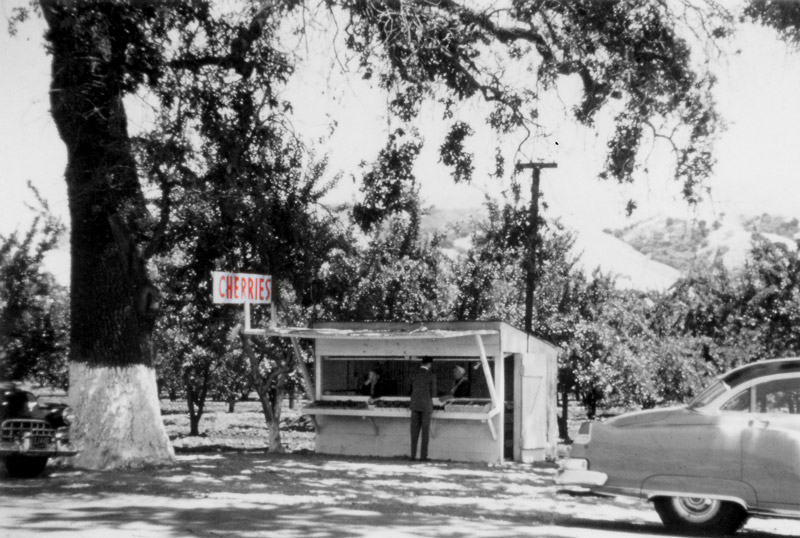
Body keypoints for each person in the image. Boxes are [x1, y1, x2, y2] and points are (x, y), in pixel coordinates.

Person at [409, 356, 436, 461]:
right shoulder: (431, 376)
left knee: (414, 433)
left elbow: (410, 391)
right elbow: (433, 393)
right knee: (425, 433)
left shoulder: (414, 375)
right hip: (426, 407)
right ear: (429, 364)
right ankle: (423, 457)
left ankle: (412, 456)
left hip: (415, 406)